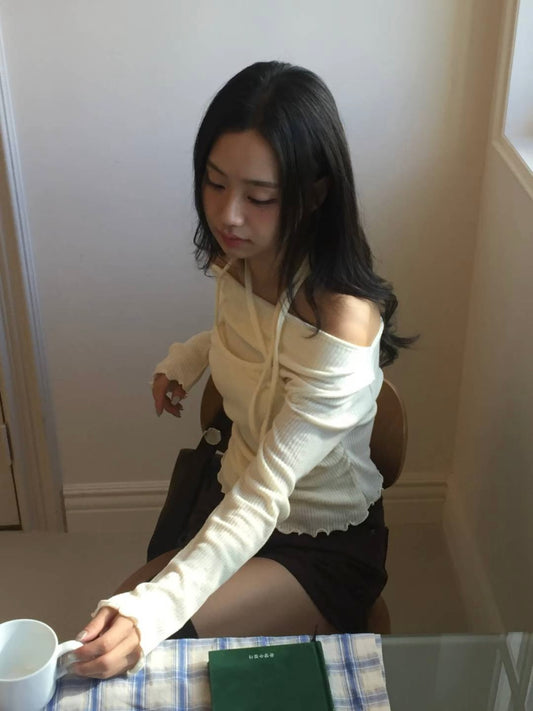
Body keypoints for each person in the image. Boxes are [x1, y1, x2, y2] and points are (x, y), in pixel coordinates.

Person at [71, 61, 414, 679]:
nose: (228, 216)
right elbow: (241, 334)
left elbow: (266, 494)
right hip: (230, 490)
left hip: (317, 540)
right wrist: (187, 359)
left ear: (315, 194)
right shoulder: (240, 259)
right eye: (214, 183)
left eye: (259, 197)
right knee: (115, 612)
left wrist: (156, 611)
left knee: (156, 640)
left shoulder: (342, 319)